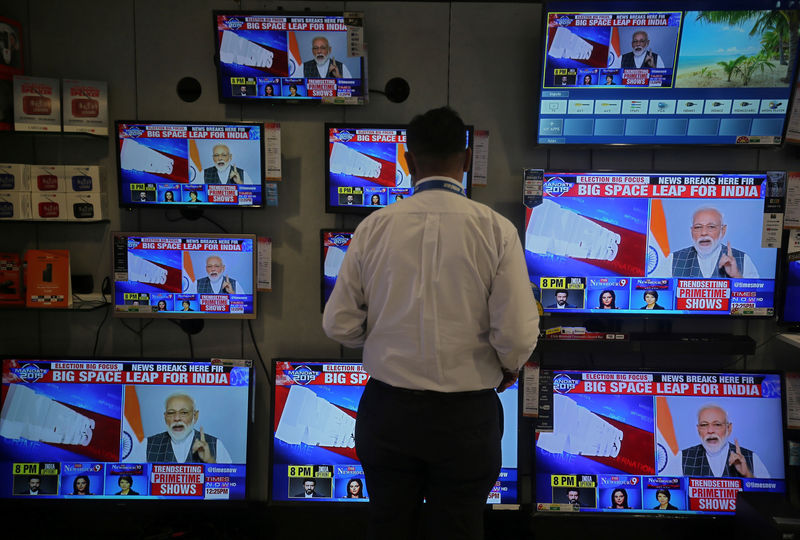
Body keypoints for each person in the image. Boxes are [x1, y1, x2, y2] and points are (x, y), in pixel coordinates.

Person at [322, 107, 539, 540]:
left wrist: (384, 333)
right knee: (459, 527)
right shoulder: (497, 230)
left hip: (388, 413)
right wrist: (509, 366)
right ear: (466, 160)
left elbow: (339, 325)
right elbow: (516, 335)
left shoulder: (372, 228)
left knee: (388, 525)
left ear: (407, 159)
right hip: (466, 418)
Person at [126, 392, 232, 464]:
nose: (176, 418)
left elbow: (231, 487)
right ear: (165, 417)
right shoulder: (147, 444)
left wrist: (210, 461)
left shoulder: (216, 445)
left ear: (195, 416)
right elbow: (132, 479)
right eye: (171, 413)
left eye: (184, 413)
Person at [658, 207, 758, 278]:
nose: (704, 233)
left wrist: (737, 276)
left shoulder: (743, 259)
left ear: (723, 231)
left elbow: (756, 301)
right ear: (691, 231)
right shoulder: (673, 260)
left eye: (711, 227)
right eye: (698, 227)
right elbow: (658, 295)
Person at [680, 404, 770, 478]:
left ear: (729, 428)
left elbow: (769, 497)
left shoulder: (751, 458)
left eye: (717, 424)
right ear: (698, 429)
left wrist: (747, 474)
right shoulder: (682, 457)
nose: (710, 430)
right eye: (704, 425)